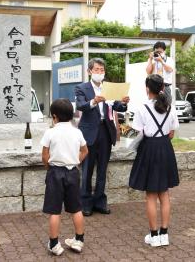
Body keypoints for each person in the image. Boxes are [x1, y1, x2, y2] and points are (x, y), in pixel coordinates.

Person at [129, 74, 179, 247]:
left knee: (151, 194)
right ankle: (164, 234)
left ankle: (153, 235)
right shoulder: (170, 108)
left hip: (149, 149)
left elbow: (138, 132)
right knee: (164, 193)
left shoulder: (142, 108)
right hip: (165, 148)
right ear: (162, 89)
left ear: (147, 89)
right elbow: (172, 133)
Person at [75, 58, 129, 216]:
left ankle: (100, 201)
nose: (100, 72)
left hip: (106, 131)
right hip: (89, 133)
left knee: (102, 170)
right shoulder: (82, 88)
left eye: (102, 70)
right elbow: (80, 105)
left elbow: (117, 106)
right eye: (97, 69)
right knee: (87, 170)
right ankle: (85, 203)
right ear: (90, 71)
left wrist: (124, 103)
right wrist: (93, 101)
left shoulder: (109, 87)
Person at [41, 98, 88, 255]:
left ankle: (54, 244)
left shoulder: (50, 132)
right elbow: (85, 151)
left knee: (55, 210)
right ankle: (79, 240)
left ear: (54, 117)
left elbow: (44, 155)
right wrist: (76, 161)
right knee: (76, 208)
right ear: (71, 115)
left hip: (55, 172)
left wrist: (49, 168)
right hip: (73, 172)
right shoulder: (77, 132)